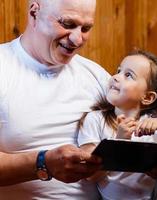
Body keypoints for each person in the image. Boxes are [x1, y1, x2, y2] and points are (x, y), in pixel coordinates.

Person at [0, 0, 110, 199]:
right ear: (34, 13)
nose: (77, 39)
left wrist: (150, 164)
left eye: (86, 28)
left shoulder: (97, 77)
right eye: (67, 24)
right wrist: (43, 162)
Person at [78, 50, 157, 200]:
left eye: (128, 75)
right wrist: (119, 141)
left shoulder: (156, 122)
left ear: (147, 97)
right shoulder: (95, 120)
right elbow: (91, 175)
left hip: (153, 196)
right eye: (118, 71)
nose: (115, 77)